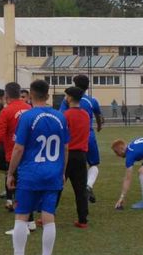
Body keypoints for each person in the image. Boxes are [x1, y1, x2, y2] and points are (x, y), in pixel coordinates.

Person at [7, 80, 70, 255]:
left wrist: (10, 173)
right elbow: (65, 148)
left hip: (30, 173)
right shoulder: (60, 117)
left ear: (31, 95)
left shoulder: (27, 117)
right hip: (53, 173)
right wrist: (63, 171)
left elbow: (18, 148)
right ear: (48, 95)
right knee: (48, 217)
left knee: (21, 216)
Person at [0, 82, 34, 234]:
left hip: (14, 153)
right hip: (30, 153)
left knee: (17, 188)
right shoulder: (28, 108)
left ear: (6, 96)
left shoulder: (6, 112)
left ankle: (23, 225)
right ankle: (30, 221)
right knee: (26, 186)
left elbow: (0, 134)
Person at [59, 75, 103, 204]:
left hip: (72, 136)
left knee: (66, 167)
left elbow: (62, 116)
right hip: (89, 135)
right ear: (87, 86)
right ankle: (88, 185)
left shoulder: (67, 100)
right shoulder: (92, 100)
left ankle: (53, 194)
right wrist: (99, 126)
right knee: (93, 164)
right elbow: (98, 115)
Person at [63, 86, 90, 228]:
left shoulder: (66, 115)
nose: (65, 98)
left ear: (71, 98)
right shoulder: (86, 114)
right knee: (80, 189)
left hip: (67, 154)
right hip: (81, 155)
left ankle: (48, 215)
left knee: (57, 186)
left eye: (66, 96)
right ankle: (83, 219)